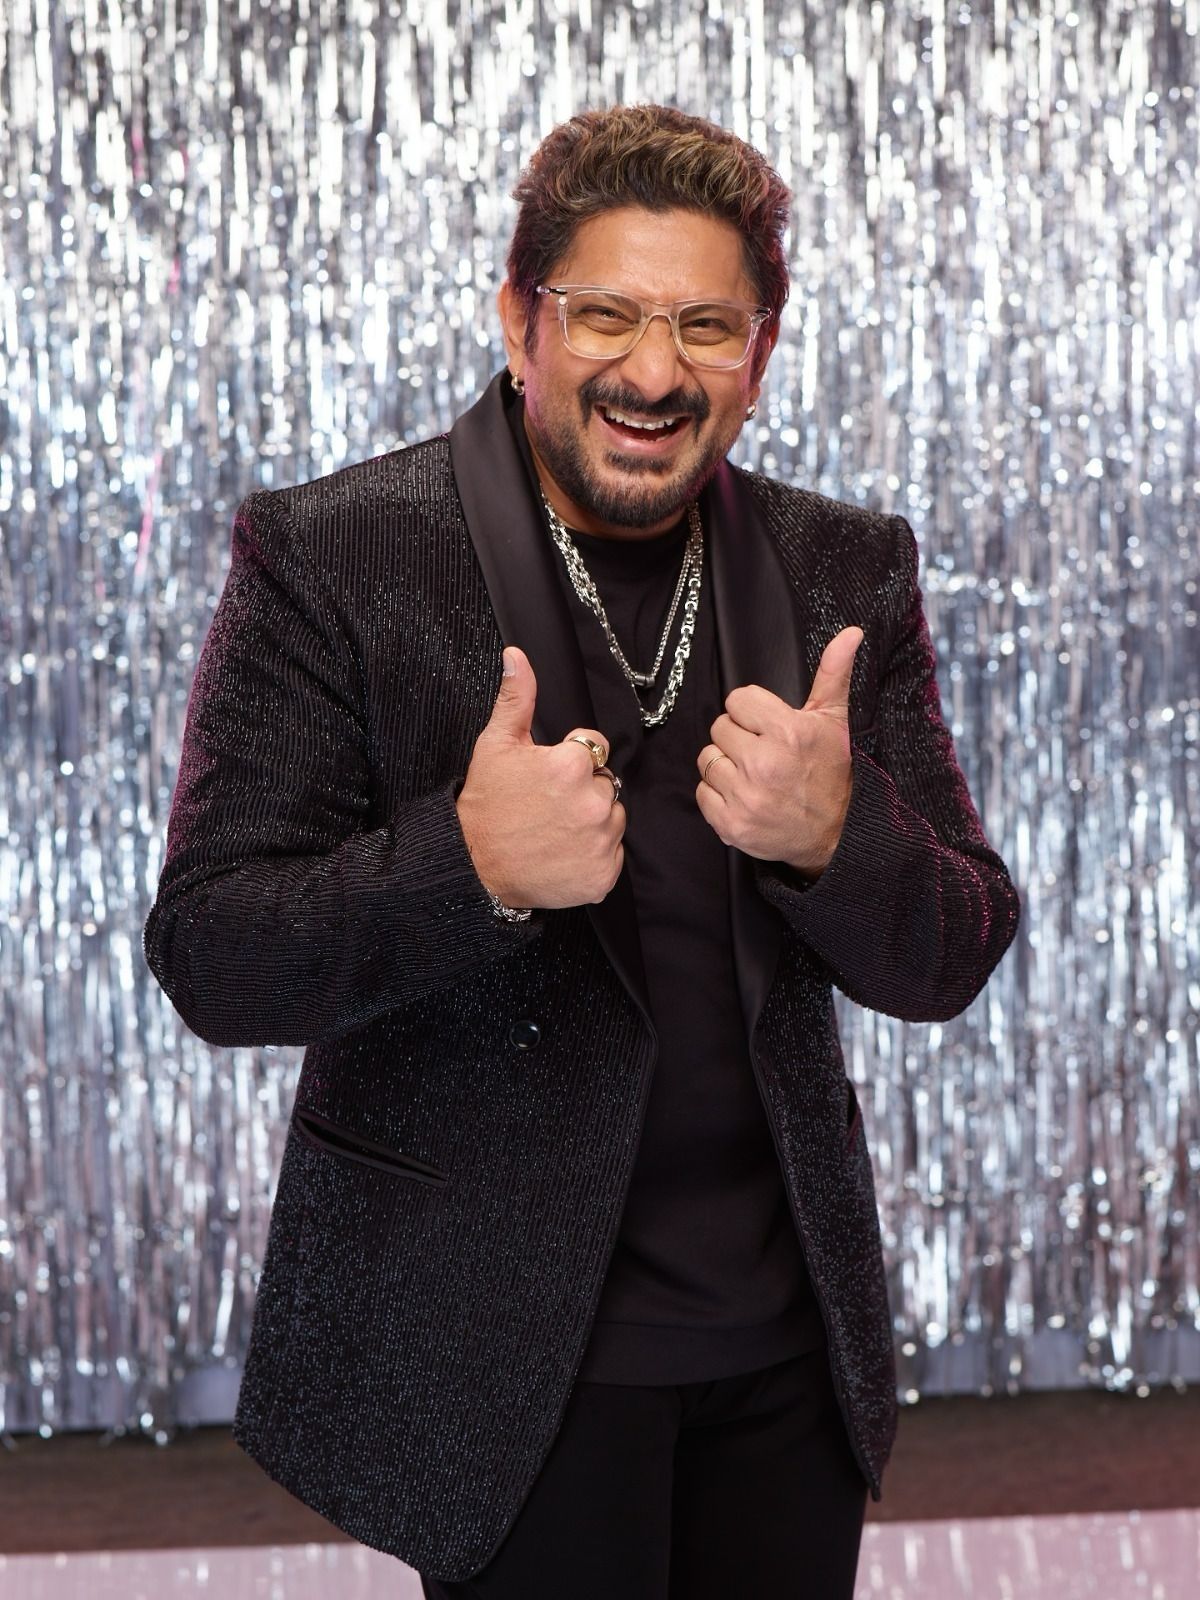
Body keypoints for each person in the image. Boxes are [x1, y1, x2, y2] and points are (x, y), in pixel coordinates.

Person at [144, 104, 1020, 1597]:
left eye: (705, 326)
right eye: (605, 314)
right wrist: (466, 865)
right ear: (520, 319)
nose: (653, 372)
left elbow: (957, 949)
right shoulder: (333, 553)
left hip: (787, 1364)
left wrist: (839, 842)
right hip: (494, 1364)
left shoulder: (844, 566)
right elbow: (214, 953)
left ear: (760, 352)